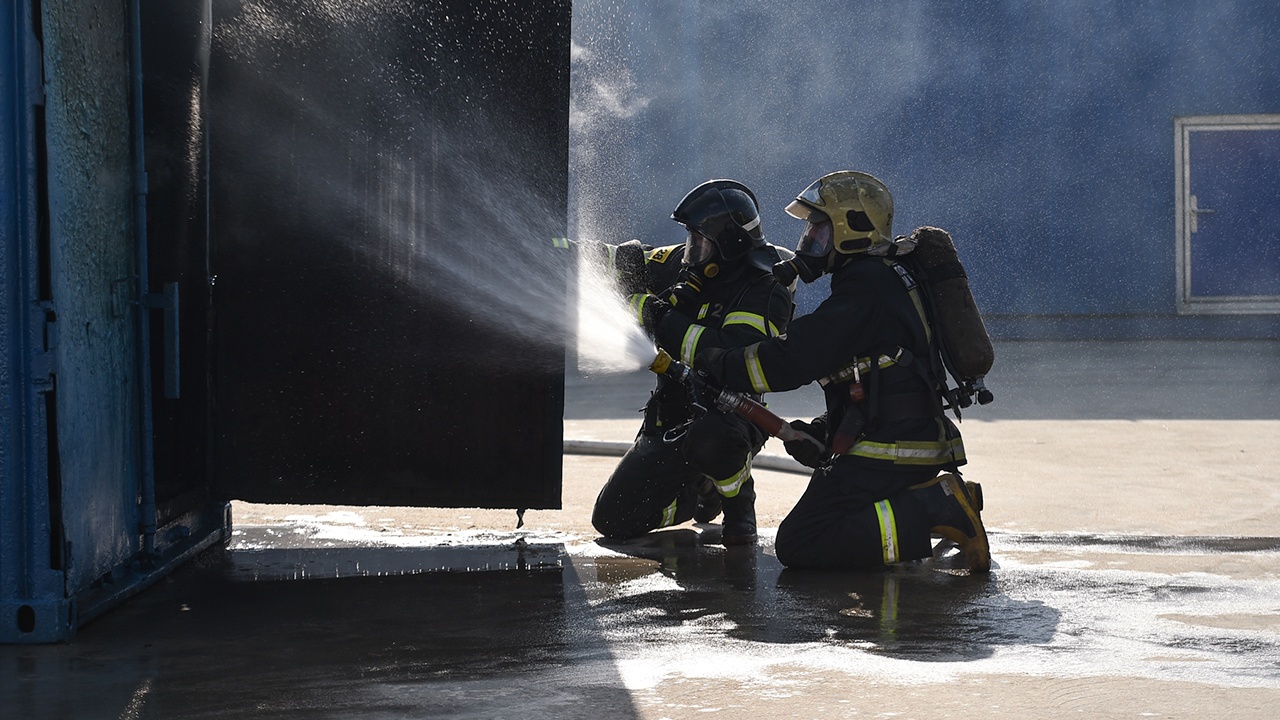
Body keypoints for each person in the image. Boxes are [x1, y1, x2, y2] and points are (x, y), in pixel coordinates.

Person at [648, 171, 990, 572]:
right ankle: (930, 498)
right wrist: (827, 429)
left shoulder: (867, 287)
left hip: (893, 451)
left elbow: (791, 360)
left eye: (818, 229)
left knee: (802, 542)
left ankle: (938, 507)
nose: (808, 240)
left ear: (852, 230)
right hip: (896, 439)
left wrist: (717, 363)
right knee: (814, 532)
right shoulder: (879, 279)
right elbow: (879, 376)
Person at [590, 179, 795, 546]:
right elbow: (616, 258)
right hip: (670, 416)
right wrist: (554, 249)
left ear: (728, 245)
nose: (689, 250)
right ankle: (697, 492)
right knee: (613, 519)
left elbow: (728, 355)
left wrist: (659, 318)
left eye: (699, 241)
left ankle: (736, 501)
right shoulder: (689, 263)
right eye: (690, 238)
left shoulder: (765, 288)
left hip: (730, 414)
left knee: (713, 440)